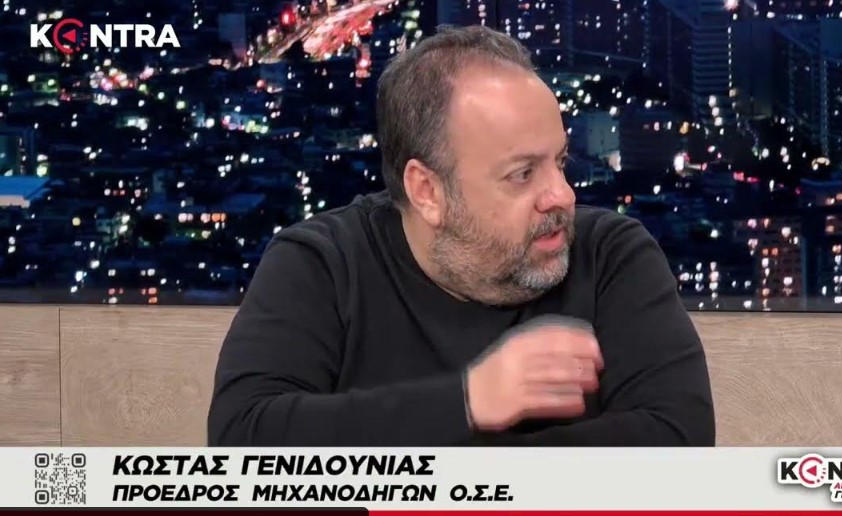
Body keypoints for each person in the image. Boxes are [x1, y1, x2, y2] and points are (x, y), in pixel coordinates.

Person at [207, 24, 715, 446]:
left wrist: (439, 456)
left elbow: (678, 441)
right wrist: (468, 401)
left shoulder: (612, 256)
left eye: (560, 162)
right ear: (427, 191)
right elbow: (243, 442)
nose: (561, 195)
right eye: (522, 174)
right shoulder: (320, 264)